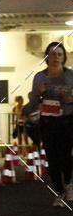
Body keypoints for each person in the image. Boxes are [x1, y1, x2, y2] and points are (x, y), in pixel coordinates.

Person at [27, 42, 73, 206]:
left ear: (64, 57)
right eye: (52, 54)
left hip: (67, 121)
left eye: (59, 54)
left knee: (65, 158)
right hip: (48, 122)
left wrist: (71, 99)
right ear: (47, 57)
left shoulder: (70, 75)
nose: (56, 57)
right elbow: (32, 101)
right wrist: (38, 94)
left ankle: (68, 183)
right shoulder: (40, 77)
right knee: (52, 160)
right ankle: (59, 192)